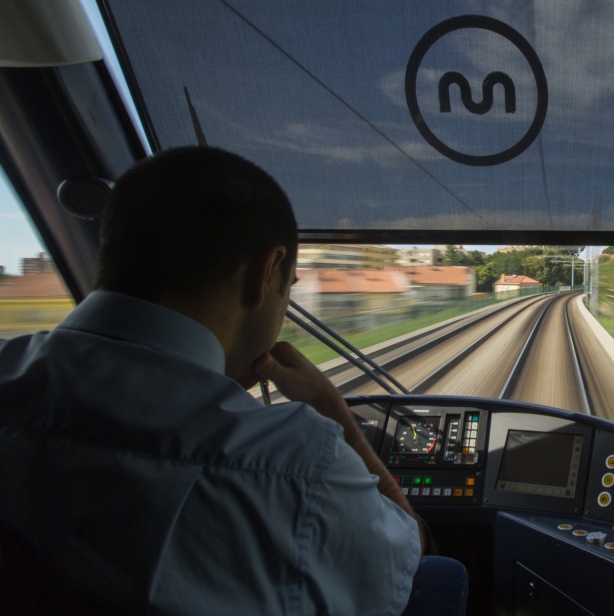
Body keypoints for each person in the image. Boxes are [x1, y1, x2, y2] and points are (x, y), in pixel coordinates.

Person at [0, 146, 467, 615]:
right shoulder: (296, 461)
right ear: (266, 272)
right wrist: (334, 411)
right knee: (442, 576)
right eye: (289, 286)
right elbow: (410, 555)